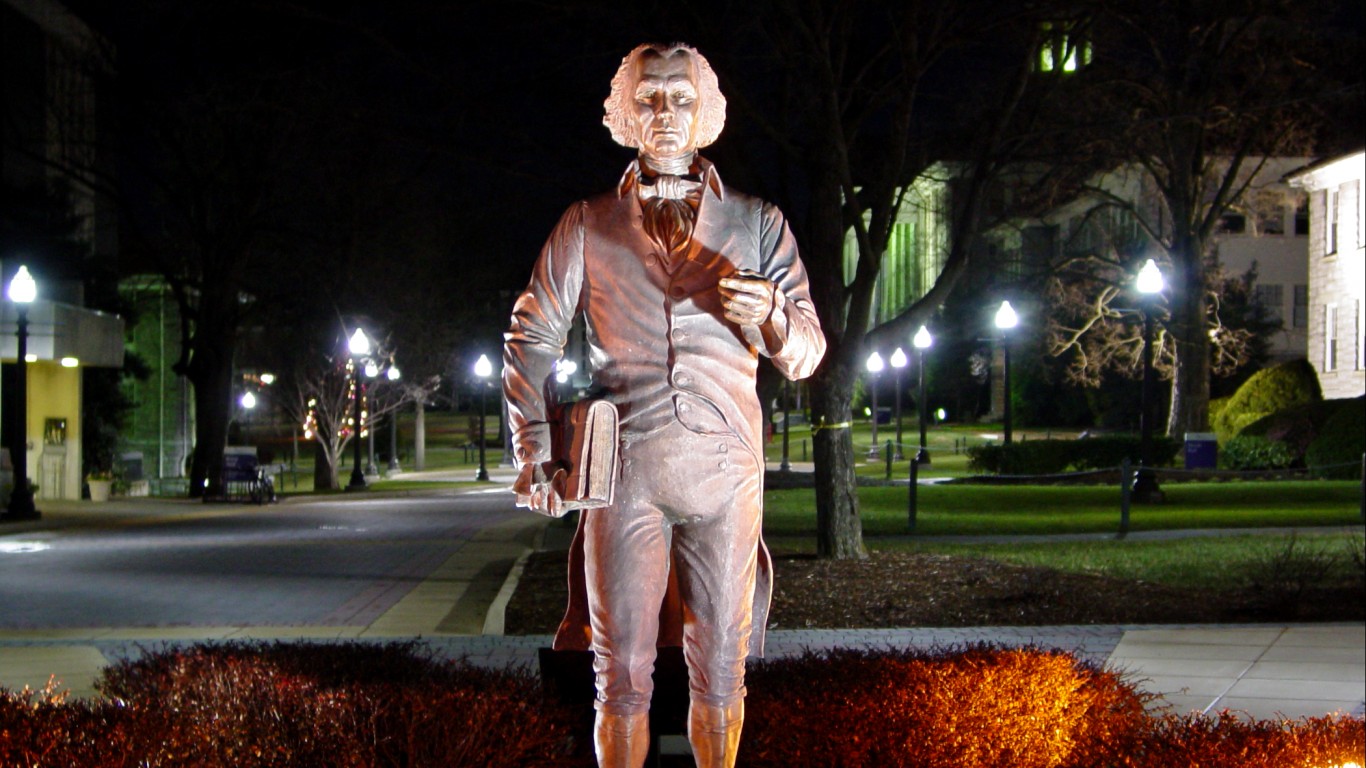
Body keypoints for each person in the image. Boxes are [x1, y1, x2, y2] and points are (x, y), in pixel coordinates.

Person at [502, 42, 825, 768]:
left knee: (722, 668)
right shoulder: (587, 223)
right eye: (649, 97)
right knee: (618, 677)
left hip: (726, 470)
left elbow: (805, 353)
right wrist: (533, 452)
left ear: (706, 112)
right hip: (625, 474)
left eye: (681, 98)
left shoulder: (758, 222)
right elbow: (529, 338)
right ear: (625, 112)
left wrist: (771, 312)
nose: (665, 113)